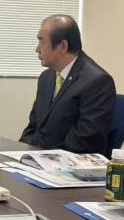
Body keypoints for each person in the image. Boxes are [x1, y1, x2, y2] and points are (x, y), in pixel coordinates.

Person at [20, 15, 116, 153]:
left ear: (63, 46)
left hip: (68, 161)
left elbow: (86, 139)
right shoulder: (46, 77)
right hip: (40, 158)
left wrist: (45, 157)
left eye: (42, 42)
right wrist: (20, 152)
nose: (37, 49)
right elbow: (33, 127)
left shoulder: (97, 81)